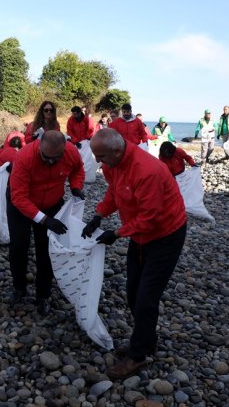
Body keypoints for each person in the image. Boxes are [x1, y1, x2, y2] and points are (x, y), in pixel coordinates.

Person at [81, 129, 187, 379]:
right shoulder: (112, 163)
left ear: (117, 151)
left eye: (101, 156)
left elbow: (150, 218)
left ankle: (139, 355)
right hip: (139, 234)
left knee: (146, 298)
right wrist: (99, 215)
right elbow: (115, 192)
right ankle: (146, 338)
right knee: (132, 292)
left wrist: (116, 234)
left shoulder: (147, 171)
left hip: (165, 235)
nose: (97, 161)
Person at [8, 131, 85, 315]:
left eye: (55, 158)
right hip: (21, 204)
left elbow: (78, 170)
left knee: (47, 250)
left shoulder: (71, 152)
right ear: (39, 147)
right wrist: (44, 220)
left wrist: (75, 187)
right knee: (19, 245)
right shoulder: (25, 157)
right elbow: (18, 197)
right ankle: (19, 287)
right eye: (46, 157)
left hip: (52, 202)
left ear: (64, 150)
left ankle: (43, 294)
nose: (51, 162)